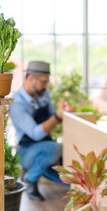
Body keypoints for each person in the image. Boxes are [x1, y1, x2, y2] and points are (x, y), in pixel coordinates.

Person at [9, 61, 75, 201]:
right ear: (31, 78)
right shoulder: (17, 102)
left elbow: (52, 117)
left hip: (45, 148)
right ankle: (29, 178)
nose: (46, 86)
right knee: (54, 148)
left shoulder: (43, 95)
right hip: (27, 151)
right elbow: (35, 133)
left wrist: (64, 112)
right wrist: (58, 116)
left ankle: (38, 170)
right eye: (43, 82)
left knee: (72, 181)